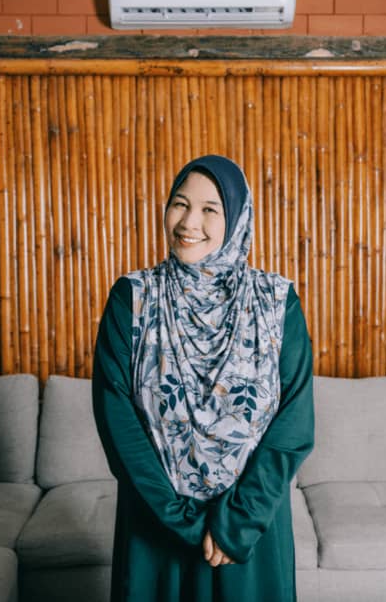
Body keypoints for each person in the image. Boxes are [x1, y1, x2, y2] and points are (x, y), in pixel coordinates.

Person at [92, 154, 314, 602]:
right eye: (180, 203)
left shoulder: (277, 303)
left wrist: (238, 523)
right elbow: (118, 422)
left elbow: (294, 424)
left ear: (236, 219)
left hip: (249, 530)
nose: (188, 222)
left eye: (210, 209)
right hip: (156, 526)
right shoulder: (132, 298)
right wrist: (181, 519)